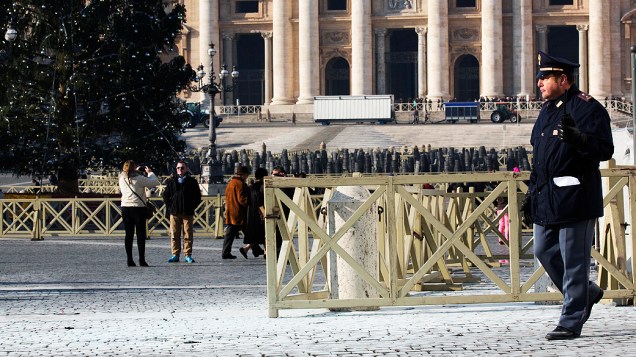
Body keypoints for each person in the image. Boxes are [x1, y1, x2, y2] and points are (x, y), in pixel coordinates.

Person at [522, 51, 614, 340]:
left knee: (574, 261)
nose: (539, 83)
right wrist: (530, 196)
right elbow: (541, 155)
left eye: (544, 78)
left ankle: (571, 319)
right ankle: (586, 293)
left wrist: (579, 139)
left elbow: (604, 150)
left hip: (575, 196)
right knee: (543, 252)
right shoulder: (547, 109)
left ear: (563, 80)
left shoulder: (588, 108)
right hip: (546, 196)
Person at [118, 160, 160, 267]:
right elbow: (154, 182)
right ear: (134, 167)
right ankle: (142, 260)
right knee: (140, 235)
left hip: (125, 208)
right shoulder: (139, 178)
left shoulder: (121, 178)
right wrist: (149, 172)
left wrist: (135, 171)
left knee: (129, 235)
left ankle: (129, 260)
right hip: (138, 208)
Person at [162, 161, 202, 263]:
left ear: (186, 169)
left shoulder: (192, 181)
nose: (180, 169)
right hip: (174, 212)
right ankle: (175, 254)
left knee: (188, 234)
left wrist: (192, 206)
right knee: (174, 234)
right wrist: (171, 206)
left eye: (182, 168)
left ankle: (187, 254)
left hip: (187, 212)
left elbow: (197, 196)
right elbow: (165, 195)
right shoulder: (171, 181)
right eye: (178, 168)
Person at [222, 165, 250, 259]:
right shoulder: (240, 184)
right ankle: (225, 253)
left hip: (231, 211)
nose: (247, 177)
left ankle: (256, 249)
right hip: (238, 213)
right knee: (247, 232)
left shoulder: (230, 183)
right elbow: (242, 199)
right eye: (247, 175)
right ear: (243, 175)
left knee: (247, 232)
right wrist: (251, 203)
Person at [239, 167, 268, 259]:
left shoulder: (251, 187)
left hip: (252, 213)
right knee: (265, 233)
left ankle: (246, 249)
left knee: (258, 234)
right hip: (261, 213)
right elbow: (261, 201)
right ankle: (265, 252)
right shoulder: (262, 187)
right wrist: (264, 213)